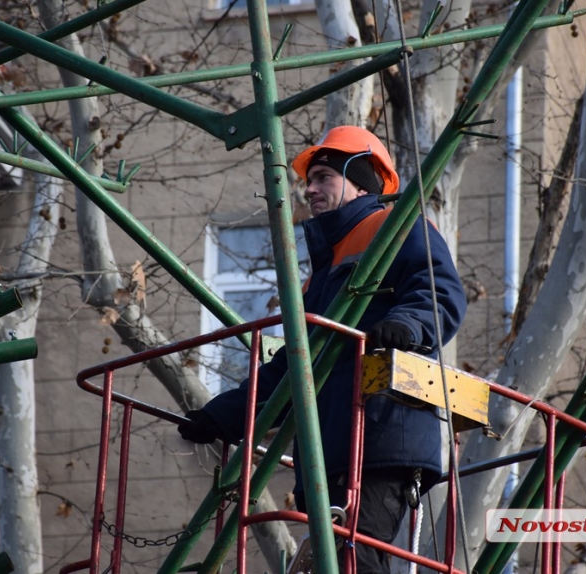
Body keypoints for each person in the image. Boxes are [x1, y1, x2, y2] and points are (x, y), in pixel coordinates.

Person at [178, 126, 467, 574]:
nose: (310, 189)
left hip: (383, 433)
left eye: (324, 177)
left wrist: (406, 325)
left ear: (360, 180)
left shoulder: (397, 226)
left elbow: (440, 293)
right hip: (331, 447)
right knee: (335, 556)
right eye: (308, 180)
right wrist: (225, 414)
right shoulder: (321, 275)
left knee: (354, 556)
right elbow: (293, 365)